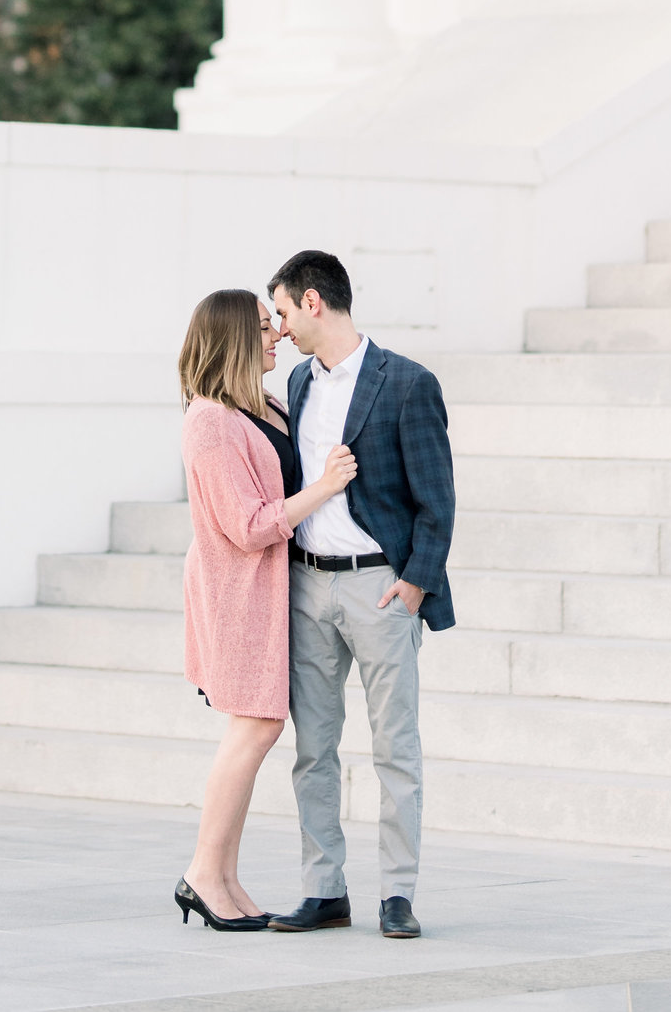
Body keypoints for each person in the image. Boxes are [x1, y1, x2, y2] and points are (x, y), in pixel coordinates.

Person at [267, 248, 455, 943]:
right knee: (313, 747)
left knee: (395, 746)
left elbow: (438, 499)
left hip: (381, 585)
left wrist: (412, 584)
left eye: (283, 310)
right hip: (307, 583)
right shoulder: (298, 382)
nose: (280, 326)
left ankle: (397, 892)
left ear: (314, 301)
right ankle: (325, 888)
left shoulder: (406, 382)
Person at [175, 287, 359, 932]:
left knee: (258, 727)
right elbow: (248, 525)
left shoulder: (263, 405)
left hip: (269, 592)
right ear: (230, 337)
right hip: (236, 596)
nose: (276, 334)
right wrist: (324, 489)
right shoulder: (208, 421)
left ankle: (222, 876)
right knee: (253, 726)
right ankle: (203, 872)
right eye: (261, 326)